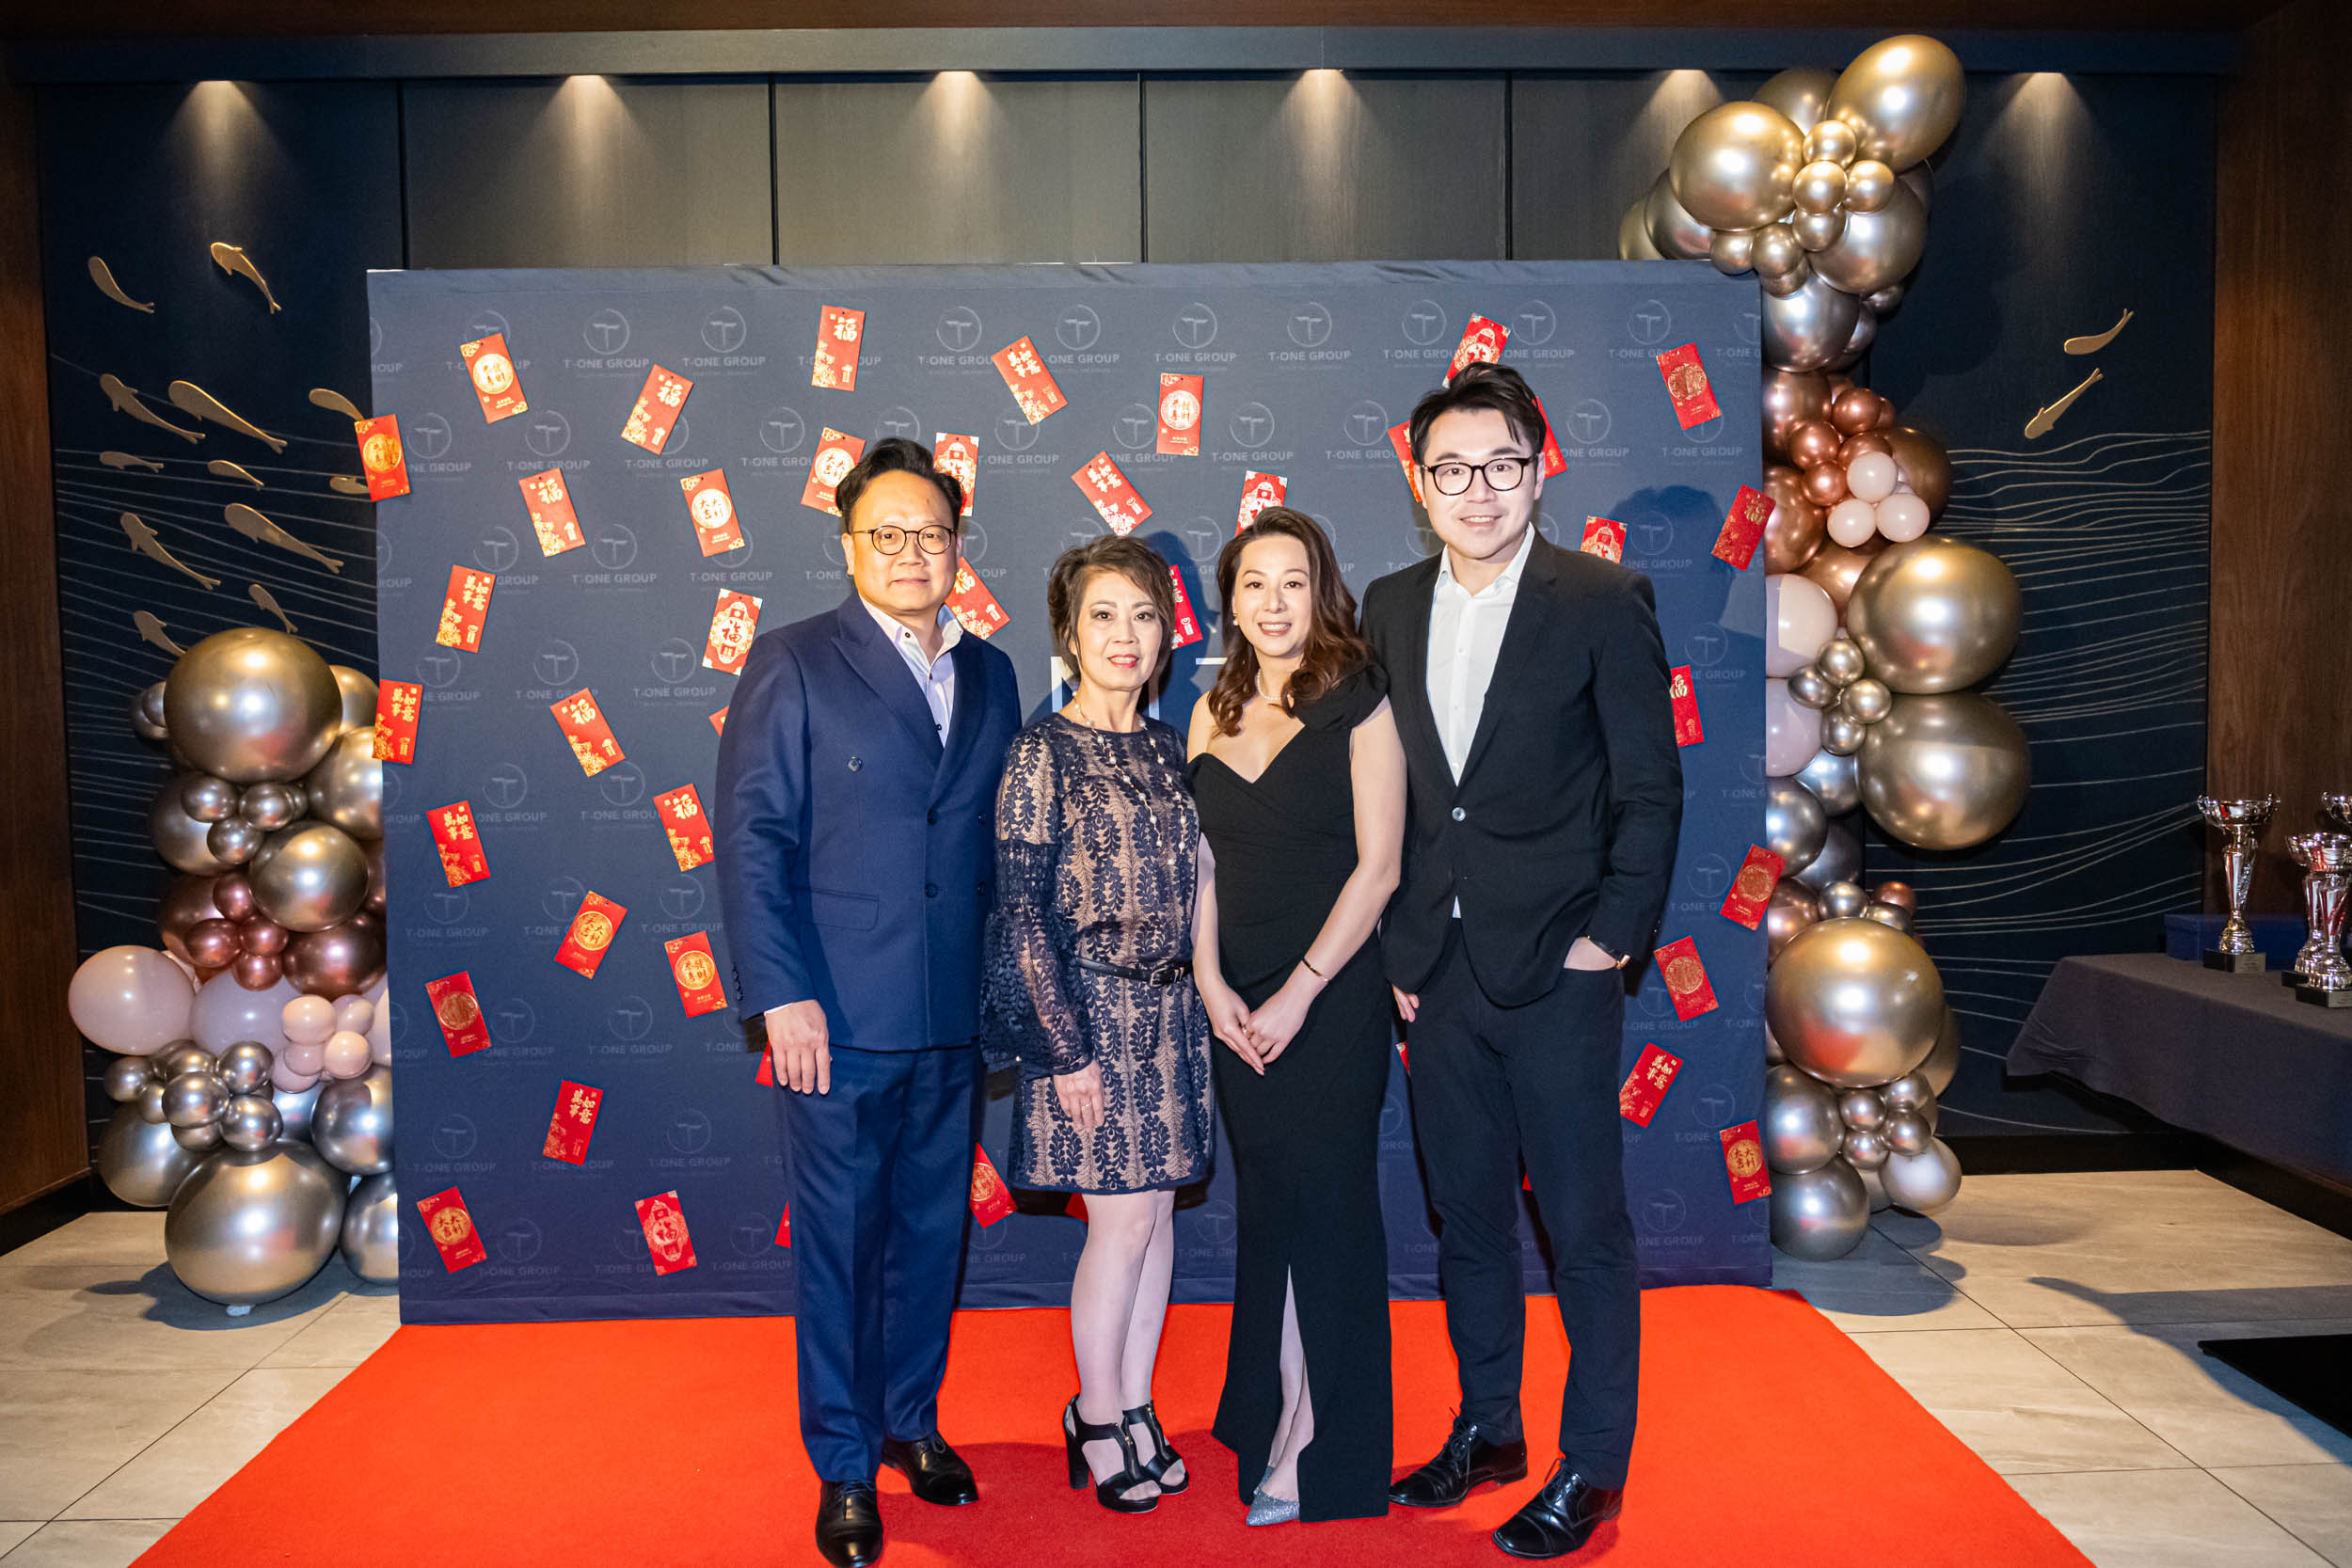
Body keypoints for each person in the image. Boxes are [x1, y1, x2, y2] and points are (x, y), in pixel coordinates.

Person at [1360, 363, 1682, 1560]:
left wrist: (1611, 939)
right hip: (1434, 971)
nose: (1478, 489)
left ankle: (1590, 1463)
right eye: (1451, 469)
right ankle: (1489, 1425)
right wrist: (1398, 939)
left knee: (1584, 1227)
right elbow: (1393, 793)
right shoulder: (1389, 604)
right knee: (1467, 1220)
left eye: (1501, 464)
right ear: (1419, 483)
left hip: (1560, 966)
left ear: (1539, 469)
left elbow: (1649, 786)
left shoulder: (1600, 597)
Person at [713, 437, 1022, 1568]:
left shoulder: (992, 671)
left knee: (932, 1235)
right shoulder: (793, 659)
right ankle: (844, 1462)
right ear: (848, 545)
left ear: (957, 545)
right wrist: (780, 995)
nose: (909, 552)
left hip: (952, 1013)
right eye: (884, 533)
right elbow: (752, 836)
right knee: (840, 1245)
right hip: (833, 1018)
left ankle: (910, 1420)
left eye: (929, 532)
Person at [986, 536, 1215, 1516]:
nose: (1126, 634)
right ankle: (1095, 1412)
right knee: (1119, 1224)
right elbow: (1020, 912)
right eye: (1104, 615)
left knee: (1156, 1218)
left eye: (1145, 615)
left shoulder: (1169, 745)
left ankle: (1136, 1402)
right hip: (1088, 1013)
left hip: (1173, 1014)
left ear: (1166, 634)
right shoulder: (1042, 751)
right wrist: (1065, 1048)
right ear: (1070, 634)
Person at [1187, 508, 1406, 1526]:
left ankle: (1323, 1440)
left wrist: (1300, 990)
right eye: (1253, 584)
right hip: (1238, 1009)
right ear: (1229, 602)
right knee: (1271, 1214)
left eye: (1292, 582)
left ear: (1322, 592)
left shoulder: (1360, 697)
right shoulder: (1211, 708)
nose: (1273, 603)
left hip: (1329, 999)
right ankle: (1278, 1409)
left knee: (1330, 1219)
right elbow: (1201, 868)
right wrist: (1210, 983)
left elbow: (1380, 868)